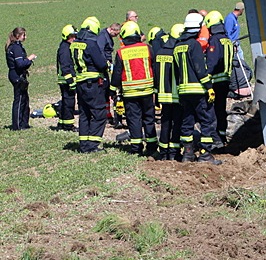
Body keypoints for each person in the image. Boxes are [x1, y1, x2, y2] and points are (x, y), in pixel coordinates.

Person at [173, 12, 221, 164]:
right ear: (198, 28)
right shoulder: (194, 45)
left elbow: (176, 71)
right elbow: (200, 68)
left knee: (187, 121)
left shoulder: (177, 46)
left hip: (183, 91)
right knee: (207, 120)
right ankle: (205, 154)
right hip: (198, 90)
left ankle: (187, 154)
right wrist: (209, 87)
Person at [110, 21, 157, 156]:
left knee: (134, 119)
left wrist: (112, 90)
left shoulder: (121, 53)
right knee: (149, 118)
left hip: (130, 93)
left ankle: (136, 147)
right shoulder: (147, 48)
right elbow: (154, 67)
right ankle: (152, 145)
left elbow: (117, 73)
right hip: (147, 91)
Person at [71, 17, 109, 153]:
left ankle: (83, 144)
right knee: (99, 113)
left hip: (80, 83)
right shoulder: (91, 44)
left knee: (84, 114)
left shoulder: (74, 44)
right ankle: (92, 145)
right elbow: (101, 64)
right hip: (93, 83)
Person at [154, 23, 185, 160]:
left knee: (165, 122)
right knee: (177, 123)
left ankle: (163, 152)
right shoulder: (176, 52)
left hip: (163, 94)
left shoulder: (160, 52)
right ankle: (174, 152)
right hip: (176, 95)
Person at [204, 11, 233, 145]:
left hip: (216, 81)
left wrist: (205, 77)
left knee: (213, 110)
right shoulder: (227, 39)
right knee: (221, 109)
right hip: (226, 80)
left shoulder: (215, 40)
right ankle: (222, 136)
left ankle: (215, 139)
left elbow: (212, 61)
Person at [5, 27, 37, 130]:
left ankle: (24, 124)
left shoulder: (12, 46)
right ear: (18, 36)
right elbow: (20, 64)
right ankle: (17, 125)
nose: (25, 37)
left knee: (24, 99)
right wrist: (29, 59)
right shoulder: (16, 48)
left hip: (15, 75)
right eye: (24, 35)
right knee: (19, 100)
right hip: (17, 76)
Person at [56, 25, 78, 131]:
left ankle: (62, 123)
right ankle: (68, 125)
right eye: (72, 36)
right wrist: (71, 81)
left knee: (65, 102)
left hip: (64, 80)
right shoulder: (64, 49)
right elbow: (65, 67)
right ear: (66, 36)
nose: (74, 39)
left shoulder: (65, 46)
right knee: (69, 103)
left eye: (75, 36)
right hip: (66, 80)